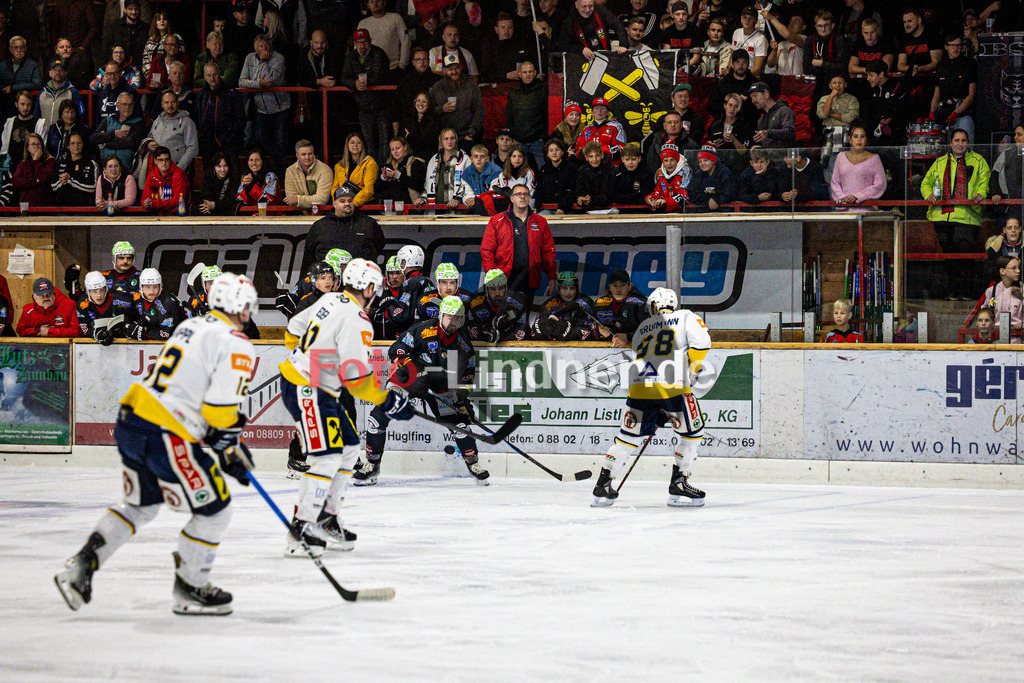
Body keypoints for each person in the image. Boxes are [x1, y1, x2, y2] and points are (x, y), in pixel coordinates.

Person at [54, 272, 257, 615]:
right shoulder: (234, 342)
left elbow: (186, 388)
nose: (250, 312)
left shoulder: (191, 327)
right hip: (165, 431)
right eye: (248, 305)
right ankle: (191, 586)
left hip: (132, 420)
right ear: (239, 306)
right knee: (215, 509)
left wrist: (222, 441)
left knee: (140, 505)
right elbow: (219, 412)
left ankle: (81, 565)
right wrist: (228, 442)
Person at [279, 259, 413, 554]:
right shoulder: (357, 320)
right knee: (327, 457)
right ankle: (302, 527)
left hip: (312, 384)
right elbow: (357, 381)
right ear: (368, 288)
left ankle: (327, 517)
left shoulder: (330, 299)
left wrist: (317, 361)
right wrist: (388, 400)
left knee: (350, 448)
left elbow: (292, 332)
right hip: (307, 387)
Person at [592, 286, 709, 506]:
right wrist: (692, 370)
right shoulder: (686, 316)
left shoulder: (643, 327)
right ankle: (679, 483)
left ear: (654, 306)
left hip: (639, 388)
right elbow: (702, 344)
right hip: (672, 386)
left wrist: (656, 408)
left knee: (627, 438)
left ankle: (602, 486)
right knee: (692, 434)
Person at [358, 294, 486, 487]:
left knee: (459, 424)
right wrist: (412, 371)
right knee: (377, 417)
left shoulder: (464, 346)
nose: (453, 322)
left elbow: (467, 376)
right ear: (441, 315)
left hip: (439, 386)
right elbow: (397, 350)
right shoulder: (422, 330)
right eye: (449, 317)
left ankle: (473, 463)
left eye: (457, 318)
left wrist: (461, 396)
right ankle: (372, 464)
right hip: (409, 379)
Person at [921, 129, 991, 300]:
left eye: (963, 140)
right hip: (941, 216)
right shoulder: (939, 162)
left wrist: (981, 193)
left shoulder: (978, 160)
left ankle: (966, 291)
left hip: (967, 215)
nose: (960, 144)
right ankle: (953, 290)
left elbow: (984, 181)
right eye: (957, 140)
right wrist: (928, 194)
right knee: (948, 256)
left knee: (964, 254)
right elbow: (925, 183)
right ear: (951, 143)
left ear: (968, 142)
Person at [481, 184, 557, 305]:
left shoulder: (540, 221)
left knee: (525, 314)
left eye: (525, 194)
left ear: (529, 197)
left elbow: (548, 252)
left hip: (529, 278)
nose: (522, 197)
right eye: (518, 194)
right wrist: (492, 275)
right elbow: (487, 250)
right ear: (511, 198)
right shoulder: (497, 220)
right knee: (503, 314)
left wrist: (552, 277)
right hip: (504, 278)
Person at [238, 34, 290, 175]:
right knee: (261, 140)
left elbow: (269, 80)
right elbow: (242, 81)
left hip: (280, 107)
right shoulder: (249, 58)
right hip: (260, 108)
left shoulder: (278, 58)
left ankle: (282, 173)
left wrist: (263, 62)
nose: (264, 49)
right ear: (255, 49)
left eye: (266, 46)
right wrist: (257, 84)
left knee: (280, 142)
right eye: (260, 47)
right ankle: (278, 168)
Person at [302, 186, 386, 273]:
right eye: (342, 201)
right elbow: (310, 250)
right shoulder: (320, 225)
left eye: (350, 201)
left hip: (362, 276)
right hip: (329, 277)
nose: (347, 204)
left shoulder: (368, 223)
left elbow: (379, 245)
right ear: (334, 204)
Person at [341, 28, 392, 164]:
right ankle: (372, 171)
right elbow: (344, 77)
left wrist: (363, 83)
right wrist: (354, 83)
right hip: (363, 107)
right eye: (359, 42)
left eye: (365, 42)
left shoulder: (379, 54)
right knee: (369, 143)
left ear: (370, 41)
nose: (362, 46)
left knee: (385, 142)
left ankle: (384, 171)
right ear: (355, 43)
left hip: (382, 106)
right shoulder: (350, 57)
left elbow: (378, 76)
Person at [184, 265, 260, 339]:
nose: (214, 287)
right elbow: (190, 327)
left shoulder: (232, 300)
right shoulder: (195, 301)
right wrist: (202, 318)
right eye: (210, 283)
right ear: (204, 285)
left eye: (216, 282)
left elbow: (251, 331)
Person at [428, 52, 484, 152]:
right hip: (444, 138)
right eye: (450, 69)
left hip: (466, 136)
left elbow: (479, 111)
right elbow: (428, 110)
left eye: (456, 68)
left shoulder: (471, 85)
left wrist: (471, 134)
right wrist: (441, 109)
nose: (454, 72)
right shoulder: (437, 88)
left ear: (461, 68)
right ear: (444, 70)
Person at [929, 35, 977, 143]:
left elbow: (971, 95)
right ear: (946, 47)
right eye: (953, 46)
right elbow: (936, 94)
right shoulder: (941, 66)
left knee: (965, 146)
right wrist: (932, 111)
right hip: (943, 114)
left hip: (963, 114)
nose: (956, 49)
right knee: (944, 148)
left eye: (958, 46)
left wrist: (956, 112)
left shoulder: (969, 64)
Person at [195, 62, 245, 163]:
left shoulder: (232, 93)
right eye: (209, 75)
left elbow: (240, 118)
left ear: (220, 74)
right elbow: (197, 116)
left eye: (215, 74)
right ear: (204, 77)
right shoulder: (201, 95)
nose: (212, 78)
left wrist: (230, 137)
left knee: (232, 168)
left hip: (228, 141)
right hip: (207, 141)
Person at [830, 123, 887, 210]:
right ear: (850, 139)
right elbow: (835, 183)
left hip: (867, 210)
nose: (859, 140)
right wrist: (843, 199)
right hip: (844, 211)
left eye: (862, 136)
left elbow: (880, 184)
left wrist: (858, 196)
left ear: (866, 140)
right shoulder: (840, 157)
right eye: (855, 136)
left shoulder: (874, 159)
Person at [531, 271, 600, 341]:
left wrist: (569, 331)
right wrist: (544, 329)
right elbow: (535, 332)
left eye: (572, 288)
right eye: (564, 288)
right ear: (559, 290)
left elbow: (593, 330)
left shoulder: (585, 303)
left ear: (576, 289)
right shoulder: (549, 305)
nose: (568, 292)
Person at [466, 268, 530, 343]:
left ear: (506, 288)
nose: (497, 293)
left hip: (511, 346)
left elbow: (521, 330)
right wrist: (485, 336)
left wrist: (500, 339)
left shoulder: (517, 303)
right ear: (487, 290)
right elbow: (473, 330)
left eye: (501, 288)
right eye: (493, 289)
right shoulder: (476, 304)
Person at [124, 268, 186, 341]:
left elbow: (166, 334)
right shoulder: (137, 299)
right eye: (147, 287)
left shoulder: (168, 303)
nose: (152, 292)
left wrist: (145, 333)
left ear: (160, 286)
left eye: (155, 287)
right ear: (141, 287)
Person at [504, 61, 546, 169]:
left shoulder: (543, 90)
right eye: (525, 72)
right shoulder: (514, 92)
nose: (528, 75)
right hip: (519, 140)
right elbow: (509, 115)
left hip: (538, 140)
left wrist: (543, 137)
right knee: (518, 172)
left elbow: (548, 114)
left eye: (530, 72)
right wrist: (512, 136)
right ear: (520, 74)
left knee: (544, 170)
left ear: (535, 73)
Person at [422, 128, 475, 208]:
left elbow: (468, 185)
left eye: (452, 138)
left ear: (456, 140)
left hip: (458, 209)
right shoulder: (434, 159)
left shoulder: (465, 159)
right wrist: (422, 198)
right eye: (446, 139)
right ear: (441, 141)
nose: (449, 142)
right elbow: (428, 185)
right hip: (436, 209)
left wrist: (458, 200)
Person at [75, 270, 133, 344]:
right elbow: (84, 327)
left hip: (122, 343)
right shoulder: (82, 304)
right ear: (87, 292)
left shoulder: (122, 300)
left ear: (106, 289)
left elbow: (134, 320)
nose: (99, 295)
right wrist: (96, 333)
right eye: (94, 291)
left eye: (101, 290)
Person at [557, 0, 628, 59]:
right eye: (584, 6)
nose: (587, 10)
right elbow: (563, 44)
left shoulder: (601, 11)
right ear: (576, 5)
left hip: (605, 57)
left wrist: (623, 45)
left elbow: (618, 26)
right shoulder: (570, 21)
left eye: (591, 6)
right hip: (581, 61)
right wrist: (581, 49)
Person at [90, 92, 143, 170]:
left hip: (128, 169)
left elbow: (130, 142)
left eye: (130, 104)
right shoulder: (109, 120)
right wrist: (113, 134)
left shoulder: (138, 122)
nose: (127, 108)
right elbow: (93, 138)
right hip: (106, 168)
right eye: (124, 104)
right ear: (118, 105)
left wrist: (107, 143)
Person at [148, 91, 198, 171]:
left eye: (173, 102)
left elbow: (192, 148)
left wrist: (180, 167)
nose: (170, 105)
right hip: (157, 169)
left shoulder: (187, 122)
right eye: (167, 102)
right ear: (162, 104)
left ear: (178, 103)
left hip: (177, 169)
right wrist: (149, 143)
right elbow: (150, 137)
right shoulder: (157, 121)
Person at [863, 60, 908, 147]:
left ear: (881, 74)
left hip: (894, 138)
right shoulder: (870, 90)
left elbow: (904, 111)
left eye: (871, 75)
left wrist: (890, 119)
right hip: (875, 137)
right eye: (867, 75)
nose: (868, 78)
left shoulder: (896, 88)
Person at [358, 0, 410, 72]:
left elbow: (405, 41)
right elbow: (357, 47)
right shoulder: (363, 23)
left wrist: (402, 65)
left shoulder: (395, 18)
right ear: (368, 5)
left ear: (384, 2)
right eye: (372, 1)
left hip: (393, 68)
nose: (375, 4)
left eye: (378, 1)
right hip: (370, 70)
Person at [707, 93, 753, 173]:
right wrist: (714, 146)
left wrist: (734, 140)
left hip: (738, 168)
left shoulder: (744, 127)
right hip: (719, 167)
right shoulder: (716, 125)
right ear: (725, 105)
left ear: (739, 108)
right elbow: (709, 148)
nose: (732, 109)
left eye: (736, 106)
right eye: (730, 105)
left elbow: (745, 152)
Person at [708, 49, 757, 125]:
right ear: (733, 64)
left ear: (748, 64)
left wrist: (747, 102)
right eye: (737, 62)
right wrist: (728, 110)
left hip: (748, 125)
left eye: (744, 62)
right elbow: (711, 106)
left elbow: (760, 108)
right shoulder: (723, 83)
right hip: (726, 123)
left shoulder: (755, 84)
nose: (740, 66)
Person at [34, 58, 84, 133]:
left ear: (65, 73)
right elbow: (36, 115)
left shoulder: (72, 92)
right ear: (50, 73)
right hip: (44, 135)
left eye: (61, 70)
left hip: (65, 135)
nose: (58, 72)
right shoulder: (43, 93)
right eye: (55, 70)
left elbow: (81, 114)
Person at [644, 110, 699, 176]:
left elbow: (695, 169)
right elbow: (650, 167)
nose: (673, 125)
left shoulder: (691, 144)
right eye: (669, 122)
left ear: (681, 125)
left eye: (676, 122)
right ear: (664, 125)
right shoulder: (656, 144)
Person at [803, 10, 849, 88]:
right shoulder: (810, 40)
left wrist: (821, 64)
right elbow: (806, 68)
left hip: (835, 81)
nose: (823, 29)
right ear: (816, 27)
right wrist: (828, 68)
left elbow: (842, 67)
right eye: (820, 26)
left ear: (832, 26)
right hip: (816, 81)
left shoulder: (839, 40)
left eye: (826, 25)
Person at [331, 132, 378, 209]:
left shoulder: (370, 163)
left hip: (363, 206)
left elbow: (369, 189)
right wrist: (338, 203)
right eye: (352, 142)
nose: (355, 145)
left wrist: (352, 203)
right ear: (347, 145)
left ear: (362, 145)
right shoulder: (339, 165)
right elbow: (335, 187)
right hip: (343, 207)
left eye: (358, 143)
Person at [283, 139, 332, 212]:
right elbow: (291, 199)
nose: (307, 157)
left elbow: (322, 199)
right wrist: (309, 200)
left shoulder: (325, 170)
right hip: (299, 213)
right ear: (297, 156)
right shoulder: (290, 171)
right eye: (303, 154)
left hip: (323, 213)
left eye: (310, 154)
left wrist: (298, 200)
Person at [575, 97, 627, 165]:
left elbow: (621, 148)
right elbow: (577, 150)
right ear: (592, 112)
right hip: (590, 167)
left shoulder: (616, 127)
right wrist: (585, 151)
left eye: (603, 108)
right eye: (596, 108)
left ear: (608, 112)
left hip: (610, 167)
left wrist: (599, 152)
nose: (599, 111)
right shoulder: (586, 130)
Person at [480, 12, 530, 83]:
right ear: (496, 29)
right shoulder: (490, 49)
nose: (506, 30)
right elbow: (485, 76)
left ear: (513, 29)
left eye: (510, 27)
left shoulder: (521, 46)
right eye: (503, 27)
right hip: (499, 86)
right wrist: (506, 76)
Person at [141, 145, 190, 215]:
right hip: (156, 215)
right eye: (160, 160)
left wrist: (155, 203)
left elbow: (178, 200)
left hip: (177, 214)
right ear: (155, 161)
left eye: (166, 159)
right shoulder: (152, 175)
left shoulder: (179, 174)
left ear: (170, 160)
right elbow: (144, 199)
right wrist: (146, 203)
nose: (164, 163)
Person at [376, 136, 425, 205]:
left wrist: (399, 176)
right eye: (392, 149)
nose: (395, 152)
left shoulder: (415, 163)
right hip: (389, 208)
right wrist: (383, 178)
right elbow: (376, 189)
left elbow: (419, 185)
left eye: (398, 148)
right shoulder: (388, 165)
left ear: (405, 147)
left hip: (410, 207)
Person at [51, 132, 97, 207]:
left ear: (83, 144)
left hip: (83, 207)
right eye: (73, 143)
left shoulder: (91, 163)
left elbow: (93, 187)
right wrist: (62, 181)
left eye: (79, 143)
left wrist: (71, 181)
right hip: (63, 207)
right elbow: (53, 186)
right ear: (68, 146)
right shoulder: (61, 163)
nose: (76, 146)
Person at [687, 145, 738, 211]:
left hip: (724, 211)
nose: (702, 164)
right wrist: (707, 200)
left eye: (705, 160)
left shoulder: (725, 173)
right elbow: (691, 194)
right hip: (703, 212)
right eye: (700, 161)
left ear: (713, 161)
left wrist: (715, 199)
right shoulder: (698, 175)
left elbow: (729, 193)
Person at [12, 133, 57, 207]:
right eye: (33, 144)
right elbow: (16, 182)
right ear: (28, 148)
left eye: (38, 144)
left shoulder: (50, 161)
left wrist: (36, 161)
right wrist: (36, 181)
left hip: (44, 203)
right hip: (26, 204)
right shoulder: (23, 163)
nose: (36, 147)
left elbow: (43, 177)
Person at [102, 0, 148, 70]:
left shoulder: (145, 27)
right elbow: (106, 46)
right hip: (119, 66)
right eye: (130, 9)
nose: (134, 12)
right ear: (125, 10)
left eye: (136, 9)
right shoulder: (115, 26)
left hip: (139, 65)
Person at [896, 8, 941, 78]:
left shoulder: (932, 36)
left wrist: (919, 69)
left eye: (909, 21)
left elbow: (936, 63)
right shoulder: (904, 39)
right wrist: (912, 69)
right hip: (911, 77)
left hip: (930, 78)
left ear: (919, 20)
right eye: (904, 22)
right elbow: (900, 65)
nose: (906, 25)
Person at [645, 143, 691, 212]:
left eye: (672, 160)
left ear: (677, 160)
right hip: (667, 213)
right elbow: (658, 192)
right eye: (666, 160)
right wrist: (651, 198)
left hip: (685, 213)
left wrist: (666, 201)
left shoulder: (686, 171)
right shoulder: (660, 173)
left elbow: (685, 197)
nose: (669, 164)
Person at [92, 57, 137, 123]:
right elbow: (98, 117)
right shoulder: (102, 94)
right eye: (109, 74)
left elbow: (137, 116)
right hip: (104, 128)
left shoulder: (130, 92)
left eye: (115, 73)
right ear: (105, 75)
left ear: (120, 73)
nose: (112, 76)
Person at [536, 138, 575, 214]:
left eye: (557, 150)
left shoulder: (571, 168)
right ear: (547, 154)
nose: (554, 153)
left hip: (567, 209)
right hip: (547, 208)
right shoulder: (544, 169)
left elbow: (572, 191)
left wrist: (562, 208)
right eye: (551, 150)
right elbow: (539, 190)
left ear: (562, 152)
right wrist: (536, 207)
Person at [401, 91, 443, 163]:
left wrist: (410, 138)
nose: (420, 104)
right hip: (410, 156)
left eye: (424, 101)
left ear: (429, 104)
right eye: (418, 101)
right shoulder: (409, 120)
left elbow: (426, 143)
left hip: (427, 158)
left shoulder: (434, 121)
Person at [762, 9, 805, 76]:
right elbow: (770, 64)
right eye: (791, 21)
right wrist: (774, 51)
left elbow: (788, 35)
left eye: (796, 22)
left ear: (803, 27)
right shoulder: (782, 44)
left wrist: (771, 18)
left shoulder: (804, 39)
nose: (792, 24)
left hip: (797, 80)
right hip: (782, 80)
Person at [0, 36, 42, 103]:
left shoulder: (33, 65)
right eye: (15, 47)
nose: (19, 50)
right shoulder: (2, 65)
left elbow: (36, 85)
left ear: (26, 48)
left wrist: (12, 88)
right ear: (10, 49)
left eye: (22, 47)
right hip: (5, 101)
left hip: (26, 102)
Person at [990, 125, 1024, 206]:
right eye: (1015, 134)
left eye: (1019, 135)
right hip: (1010, 204)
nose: (1015, 137)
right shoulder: (1007, 153)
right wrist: (995, 193)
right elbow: (995, 173)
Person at [731, 6, 768, 77]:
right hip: (736, 74)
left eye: (751, 18)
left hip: (751, 76)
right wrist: (731, 74)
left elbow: (757, 69)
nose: (747, 20)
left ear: (756, 21)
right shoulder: (736, 32)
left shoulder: (761, 39)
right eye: (745, 17)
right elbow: (732, 58)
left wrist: (740, 75)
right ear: (741, 19)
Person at [985, 217, 1023, 285]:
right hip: (1002, 286)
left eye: (1016, 228)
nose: (1013, 230)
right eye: (1009, 228)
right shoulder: (997, 248)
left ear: (1020, 229)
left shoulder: (1022, 247)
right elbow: (989, 272)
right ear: (1004, 230)